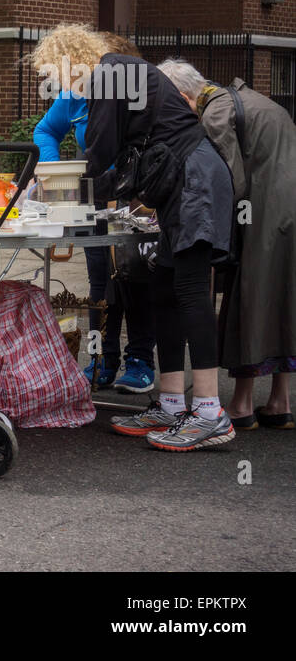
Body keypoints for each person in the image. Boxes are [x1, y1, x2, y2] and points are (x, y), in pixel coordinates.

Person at [33, 23, 235, 451]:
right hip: (183, 181)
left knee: (191, 292)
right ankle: (170, 402)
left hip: (193, 183)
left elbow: (101, 153)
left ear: (71, 62)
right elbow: (119, 161)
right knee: (164, 287)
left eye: (60, 75)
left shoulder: (109, 75)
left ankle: (209, 413)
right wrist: (79, 190)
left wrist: (58, 191)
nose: (66, 89)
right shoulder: (118, 76)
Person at [157, 58, 295, 431]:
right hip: (285, 213)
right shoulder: (252, 99)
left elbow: (225, 181)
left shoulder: (216, 115)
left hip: (260, 215)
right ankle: (280, 401)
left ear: (185, 97)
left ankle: (241, 403)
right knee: (283, 300)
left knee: (245, 299)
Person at [33, 32, 156, 395]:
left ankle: (139, 361)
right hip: (96, 197)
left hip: (137, 197)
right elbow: (45, 130)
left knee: (134, 280)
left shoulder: (133, 92)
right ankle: (101, 359)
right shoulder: (74, 95)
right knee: (101, 282)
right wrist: (54, 172)